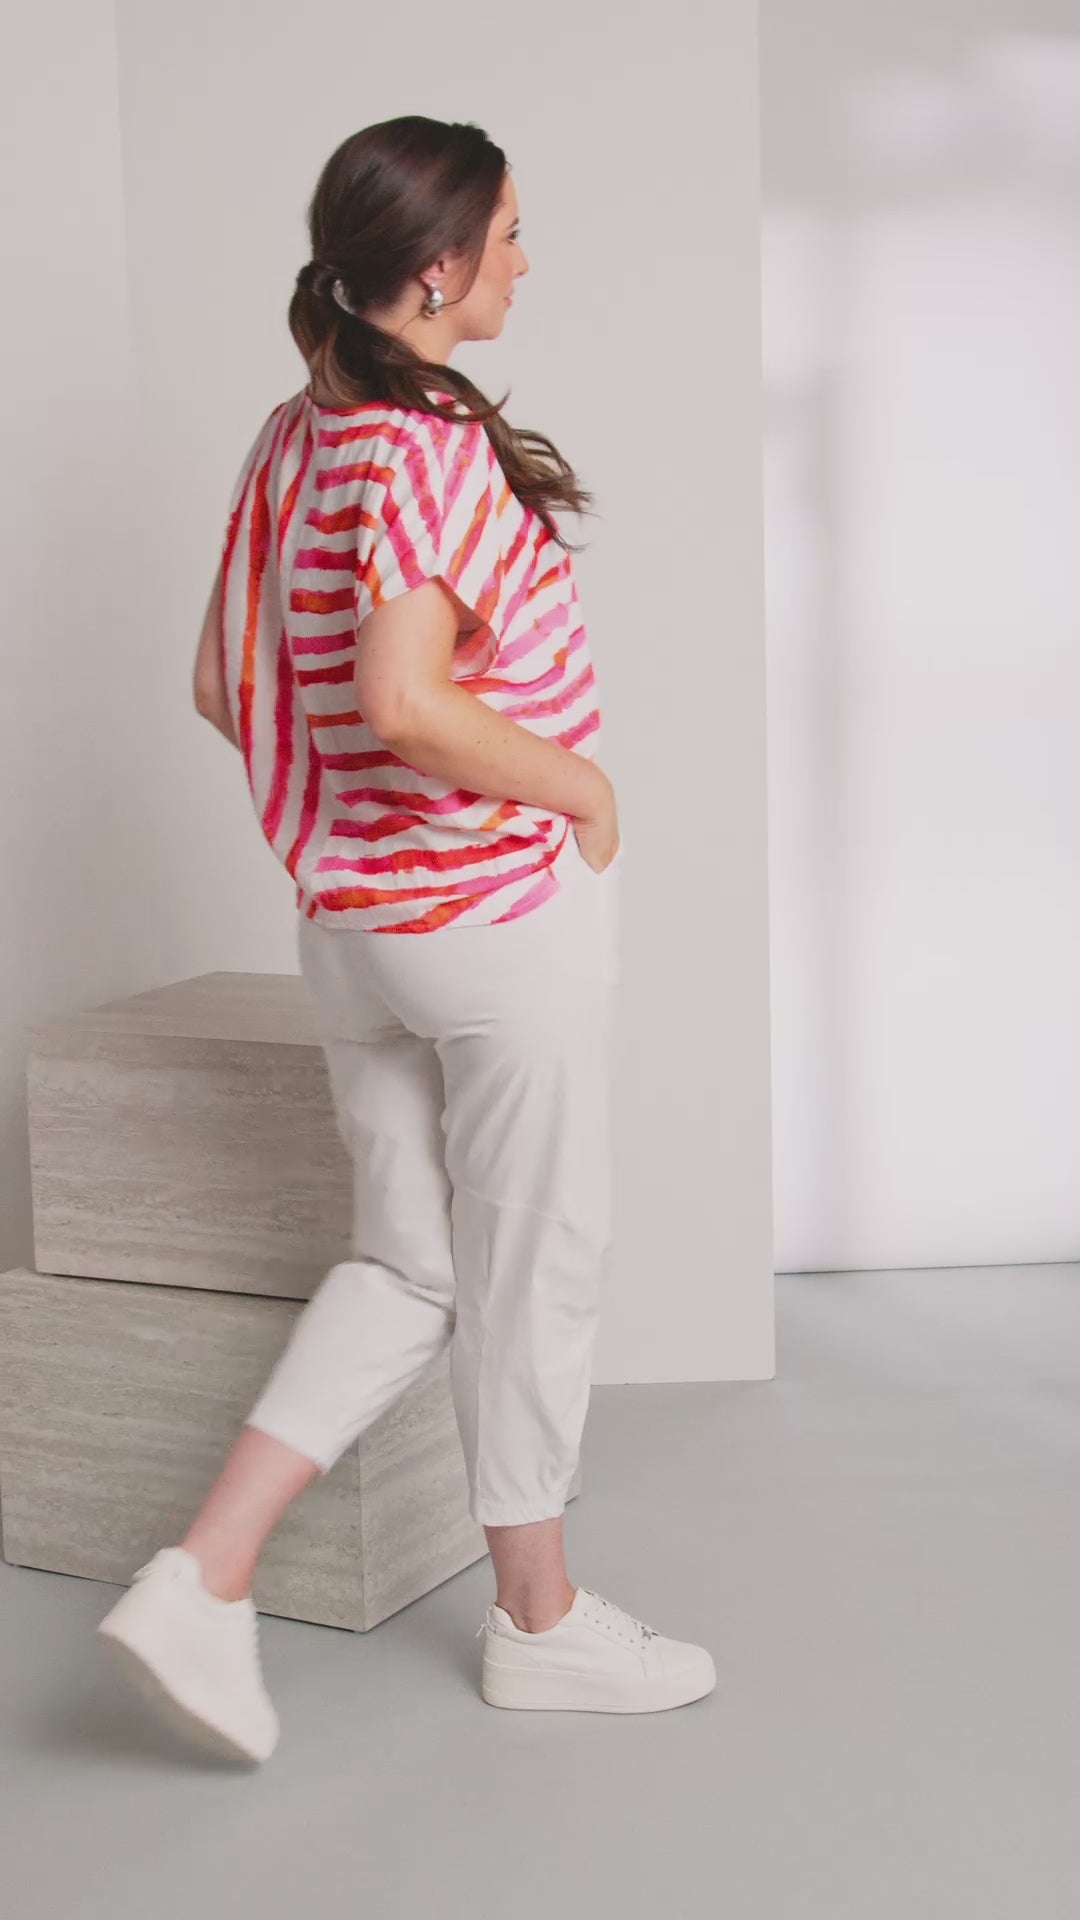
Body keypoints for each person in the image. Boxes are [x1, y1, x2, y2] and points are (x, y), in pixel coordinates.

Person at [95, 114, 716, 1761]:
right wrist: (580, 786)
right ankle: (541, 1625)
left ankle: (204, 1575)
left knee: (408, 1262)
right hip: (497, 919)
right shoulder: (425, 448)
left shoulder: (298, 430)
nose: (526, 261)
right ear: (437, 267)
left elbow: (227, 684)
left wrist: (354, 836)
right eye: (509, 236)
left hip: (357, 926)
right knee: (539, 1260)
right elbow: (404, 700)